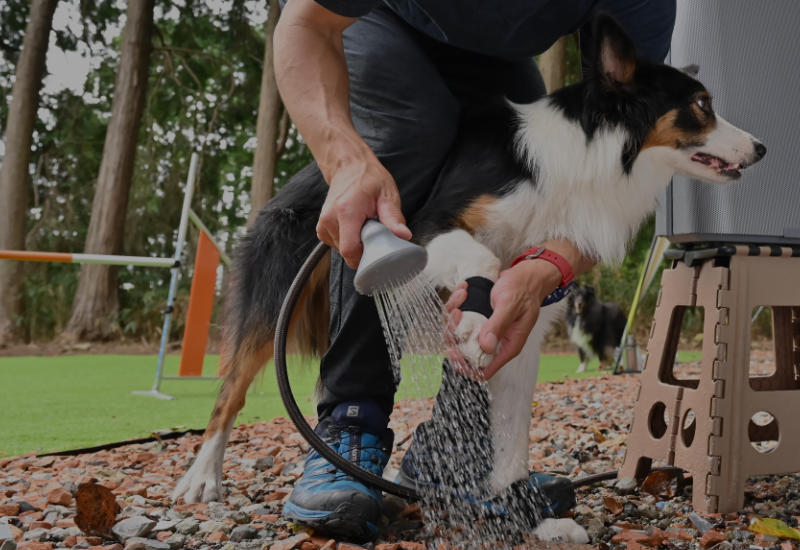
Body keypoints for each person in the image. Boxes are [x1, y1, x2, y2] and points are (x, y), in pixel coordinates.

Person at [272, 0, 676, 539]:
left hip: (496, 57)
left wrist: (546, 266)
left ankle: (455, 449)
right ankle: (351, 423)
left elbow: (631, 153)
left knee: (535, 167)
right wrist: (345, 163)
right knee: (411, 131)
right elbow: (306, 24)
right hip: (378, 21)